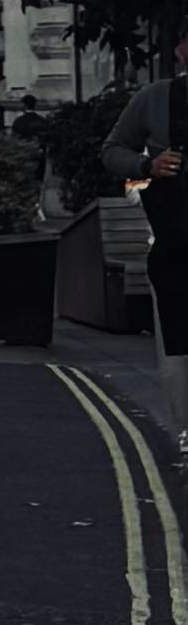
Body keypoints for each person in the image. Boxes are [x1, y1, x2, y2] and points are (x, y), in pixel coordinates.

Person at [139, 147, 188, 460]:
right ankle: (184, 432)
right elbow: (113, 151)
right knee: (178, 349)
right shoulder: (156, 99)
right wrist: (145, 165)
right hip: (174, 255)